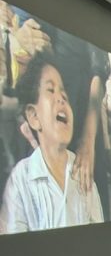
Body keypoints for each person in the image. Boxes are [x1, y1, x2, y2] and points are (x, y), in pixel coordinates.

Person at [0, 53, 102, 233]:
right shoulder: (20, 180)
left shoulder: (83, 175)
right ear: (33, 116)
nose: (61, 98)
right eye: (50, 90)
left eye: (64, 94)